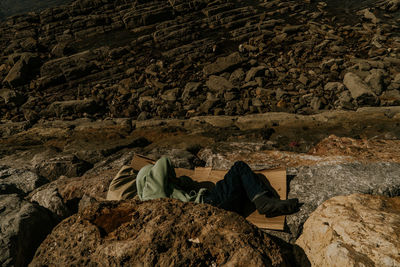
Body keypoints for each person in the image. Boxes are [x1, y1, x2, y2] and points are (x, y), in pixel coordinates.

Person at [107, 157, 300, 218]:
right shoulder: (151, 193)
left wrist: (177, 184)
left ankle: (258, 199)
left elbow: (190, 184)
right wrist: (171, 179)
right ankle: (262, 200)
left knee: (236, 185)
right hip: (211, 203)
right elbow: (164, 161)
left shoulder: (153, 203)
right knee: (239, 167)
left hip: (214, 208)